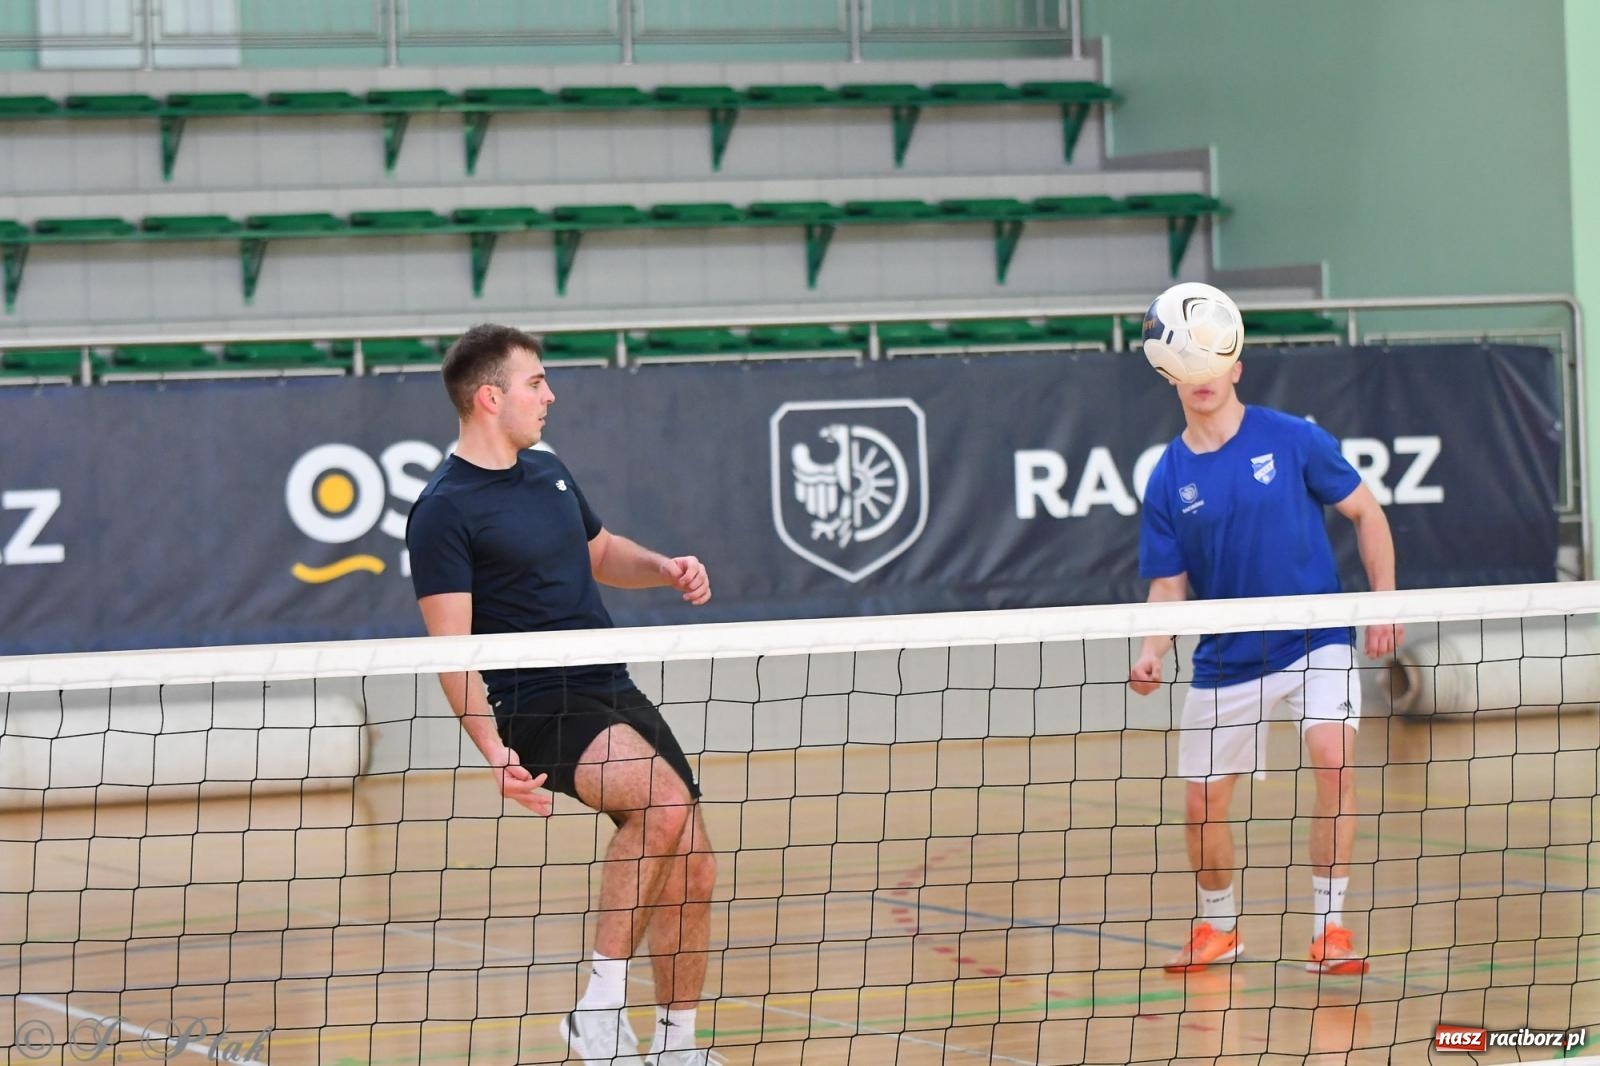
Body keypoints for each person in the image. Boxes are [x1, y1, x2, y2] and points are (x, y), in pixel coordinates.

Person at [406, 323, 715, 1065]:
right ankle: (598, 1009)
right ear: (490, 397)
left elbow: (600, 553)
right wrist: (493, 750)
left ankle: (676, 1046)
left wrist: (663, 568)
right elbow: (453, 651)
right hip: (539, 704)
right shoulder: (444, 510)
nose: (551, 392)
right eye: (535, 381)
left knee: (695, 857)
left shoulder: (546, 468)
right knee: (663, 805)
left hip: (609, 683)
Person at [1128, 349, 1401, 976]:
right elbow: (1168, 586)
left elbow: (1367, 512)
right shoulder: (1169, 477)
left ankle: (1330, 929)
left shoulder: (1293, 437)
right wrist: (1150, 651)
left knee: (1333, 760)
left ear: (1236, 370)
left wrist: (1386, 604)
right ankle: (1218, 928)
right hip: (1225, 656)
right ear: (1172, 378)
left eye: (1212, 365)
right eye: (1187, 369)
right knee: (1200, 805)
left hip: (1315, 637)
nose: (1202, 380)